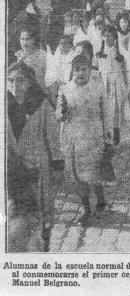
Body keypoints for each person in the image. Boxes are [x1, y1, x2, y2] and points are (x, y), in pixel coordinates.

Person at [7, 61, 58, 251]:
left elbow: (52, 136)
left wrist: (57, 164)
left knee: (43, 210)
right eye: (10, 81)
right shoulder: (5, 105)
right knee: (17, 215)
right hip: (14, 171)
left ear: (30, 82)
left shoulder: (42, 103)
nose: (15, 86)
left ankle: (44, 244)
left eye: (20, 80)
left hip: (38, 166)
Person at [56, 53, 109, 224]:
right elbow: (59, 116)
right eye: (77, 70)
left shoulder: (98, 87)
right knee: (77, 175)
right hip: (73, 137)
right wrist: (61, 112)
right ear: (72, 70)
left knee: (93, 172)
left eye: (84, 69)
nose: (80, 73)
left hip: (94, 136)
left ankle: (100, 201)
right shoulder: (65, 89)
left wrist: (109, 134)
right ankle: (86, 209)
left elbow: (107, 112)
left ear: (90, 70)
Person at [97, 25, 130, 145]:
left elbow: (125, 71)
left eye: (110, 36)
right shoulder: (99, 54)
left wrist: (125, 87)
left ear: (115, 38)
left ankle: (116, 134)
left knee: (115, 109)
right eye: (105, 36)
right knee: (104, 110)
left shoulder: (119, 54)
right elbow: (97, 71)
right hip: (104, 84)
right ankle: (106, 135)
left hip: (116, 83)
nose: (107, 39)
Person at [15, 26, 47, 92]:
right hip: (21, 94)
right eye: (22, 39)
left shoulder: (43, 56)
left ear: (34, 40)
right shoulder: (17, 55)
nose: (24, 43)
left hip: (39, 93)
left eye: (27, 39)